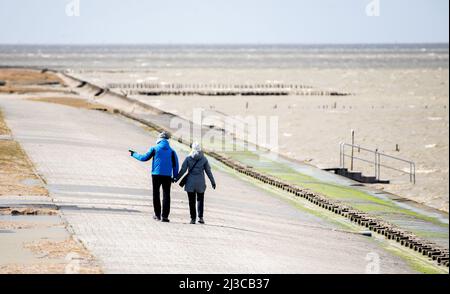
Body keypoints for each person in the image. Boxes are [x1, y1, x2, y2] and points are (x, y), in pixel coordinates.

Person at [129, 131, 179, 222]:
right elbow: (176, 165)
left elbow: (144, 158)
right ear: (168, 140)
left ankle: (157, 215)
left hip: (156, 174)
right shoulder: (172, 151)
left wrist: (134, 154)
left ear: (159, 139)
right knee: (166, 195)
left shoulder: (154, 148)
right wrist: (175, 176)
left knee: (156, 194)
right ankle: (165, 217)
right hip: (167, 176)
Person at [175, 142, 216, 224]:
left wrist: (176, 178)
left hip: (190, 182)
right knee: (200, 200)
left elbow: (183, 170)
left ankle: (193, 218)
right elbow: (208, 172)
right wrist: (213, 182)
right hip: (200, 183)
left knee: (191, 201)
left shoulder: (188, 158)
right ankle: (200, 217)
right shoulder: (204, 159)